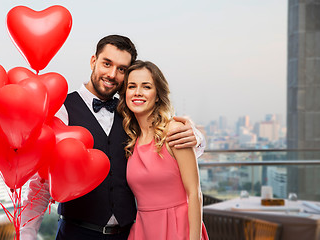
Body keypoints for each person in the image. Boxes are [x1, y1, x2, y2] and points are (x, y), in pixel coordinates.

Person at [20, 35, 205, 240]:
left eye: (121, 69)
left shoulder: (131, 113)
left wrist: (196, 137)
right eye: (106, 64)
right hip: (76, 233)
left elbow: (164, 141)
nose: (111, 74)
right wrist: (27, 233)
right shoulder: (63, 111)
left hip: (127, 234)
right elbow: (42, 182)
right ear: (93, 61)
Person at [117, 60, 208, 240]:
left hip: (178, 229)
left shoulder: (174, 131)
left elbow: (195, 193)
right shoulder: (131, 140)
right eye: (132, 86)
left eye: (146, 87)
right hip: (144, 230)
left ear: (158, 95)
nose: (138, 92)